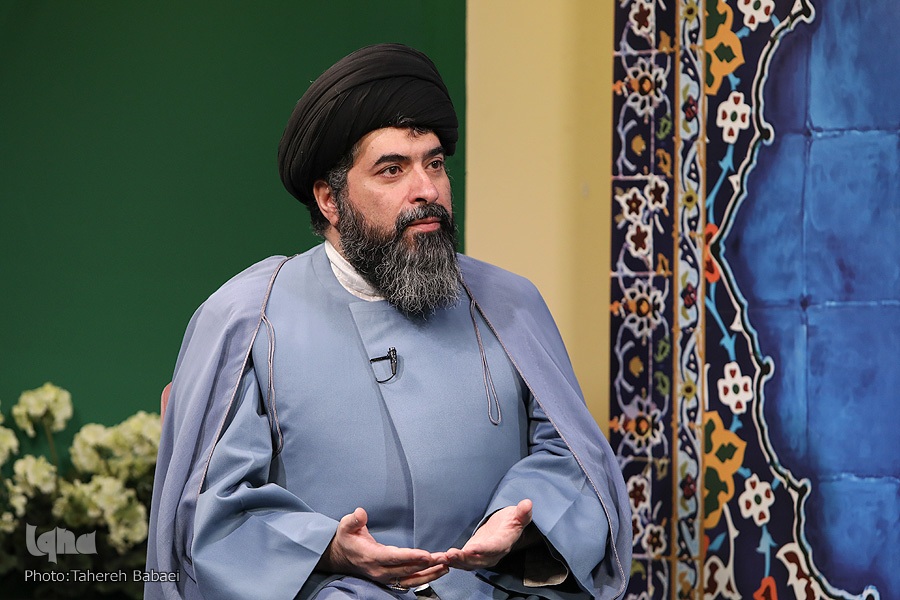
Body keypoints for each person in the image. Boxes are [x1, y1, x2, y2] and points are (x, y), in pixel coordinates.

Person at [145, 43, 631, 600]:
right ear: (330, 200)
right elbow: (213, 517)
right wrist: (328, 548)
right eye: (392, 169)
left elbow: (571, 459)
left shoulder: (508, 304)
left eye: (434, 164)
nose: (426, 189)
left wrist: (521, 521)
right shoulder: (249, 321)